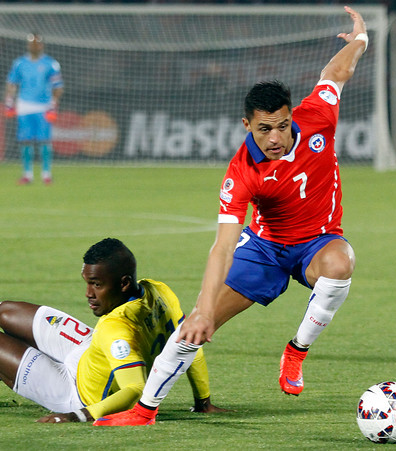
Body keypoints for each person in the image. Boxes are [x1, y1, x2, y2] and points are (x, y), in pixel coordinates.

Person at [94, 6, 367, 427]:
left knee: (341, 263)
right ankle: (144, 410)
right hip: (266, 248)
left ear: (291, 116)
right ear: (246, 125)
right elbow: (223, 246)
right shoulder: (241, 173)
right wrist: (203, 308)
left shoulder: (318, 118)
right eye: (264, 130)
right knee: (195, 327)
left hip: (318, 241)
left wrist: (361, 40)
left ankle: (296, 350)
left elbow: (336, 73)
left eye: (281, 125)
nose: (275, 138)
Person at [0, 238, 224, 423]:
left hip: (73, 391)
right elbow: (189, 343)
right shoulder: (157, 289)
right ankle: (3, 366)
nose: (88, 294)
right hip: (91, 352)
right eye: (87, 282)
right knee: (5, 312)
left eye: (96, 285)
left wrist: (76, 415)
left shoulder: (116, 327)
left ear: (123, 283)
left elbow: (133, 389)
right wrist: (203, 400)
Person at [5, 33, 63, 185]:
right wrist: (9, 101)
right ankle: (27, 174)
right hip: (24, 105)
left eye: (36, 43)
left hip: (43, 106)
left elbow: (58, 86)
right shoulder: (19, 63)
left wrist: (53, 104)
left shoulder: (51, 64)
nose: (33, 46)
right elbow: (12, 83)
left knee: (45, 141)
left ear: (41, 45)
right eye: (31, 43)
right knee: (25, 141)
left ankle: (46, 174)